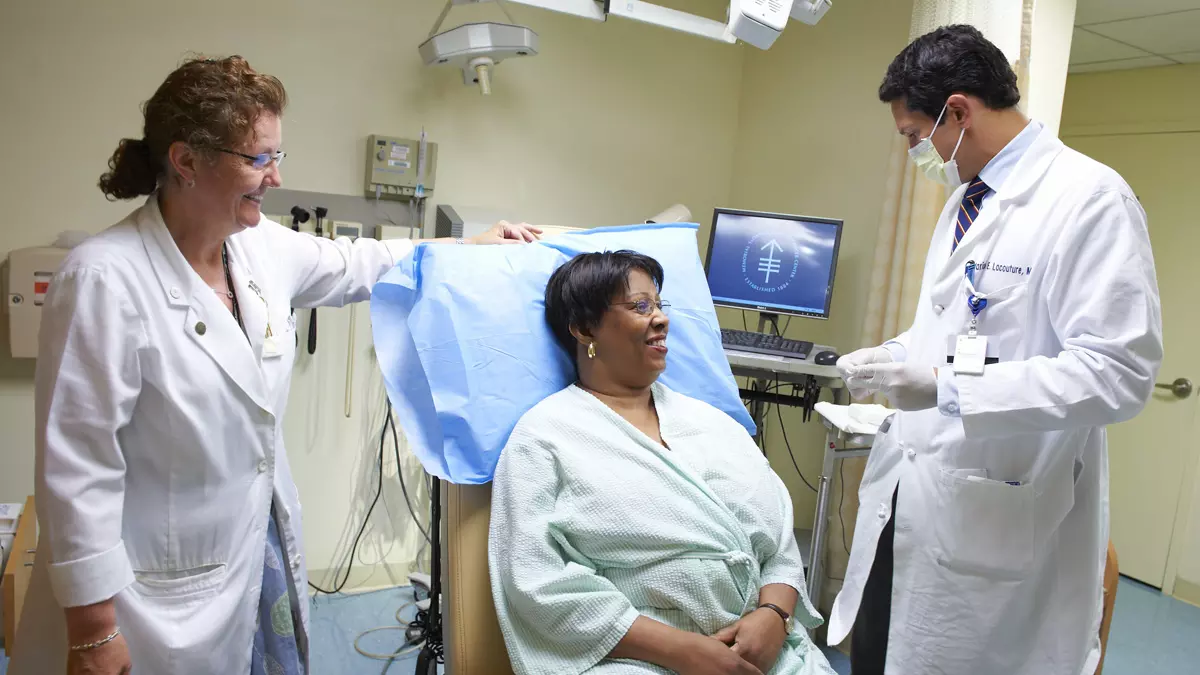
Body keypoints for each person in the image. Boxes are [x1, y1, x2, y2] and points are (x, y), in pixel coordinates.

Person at [11, 55, 540, 675]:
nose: (276, 177)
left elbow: (360, 262)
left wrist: (469, 248)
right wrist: (94, 633)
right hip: (150, 591)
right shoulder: (105, 278)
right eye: (258, 159)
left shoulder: (257, 247)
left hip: (254, 547)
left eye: (277, 157)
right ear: (185, 161)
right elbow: (78, 471)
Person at [830, 25, 1163, 675]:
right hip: (911, 496)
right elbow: (961, 333)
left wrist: (947, 387)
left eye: (911, 135)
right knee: (879, 652)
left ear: (957, 111)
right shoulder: (966, 201)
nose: (911, 152)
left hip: (999, 517)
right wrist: (896, 353)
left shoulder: (1089, 200)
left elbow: (1119, 373)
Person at [487, 251, 836, 675]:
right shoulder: (544, 437)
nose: (661, 319)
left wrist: (774, 617)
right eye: (639, 306)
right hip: (634, 658)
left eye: (659, 305)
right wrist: (685, 652)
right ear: (583, 329)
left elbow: (779, 539)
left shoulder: (714, 424)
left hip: (760, 646)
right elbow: (535, 579)